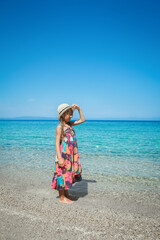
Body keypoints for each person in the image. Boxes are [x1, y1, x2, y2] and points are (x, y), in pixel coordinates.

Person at [52, 103, 85, 204]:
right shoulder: (60, 127)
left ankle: (66, 194)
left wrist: (78, 109)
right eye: (69, 114)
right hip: (63, 155)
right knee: (62, 174)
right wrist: (60, 158)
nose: (71, 116)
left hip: (70, 155)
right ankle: (62, 197)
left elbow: (82, 120)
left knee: (68, 174)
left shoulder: (70, 124)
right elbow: (57, 143)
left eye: (71, 114)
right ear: (62, 115)